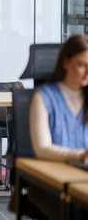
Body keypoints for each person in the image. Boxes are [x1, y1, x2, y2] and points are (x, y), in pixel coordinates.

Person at [30, 35, 88, 163]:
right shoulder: (44, 97)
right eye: (81, 65)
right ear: (65, 62)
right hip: (55, 172)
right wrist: (81, 155)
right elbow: (42, 149)